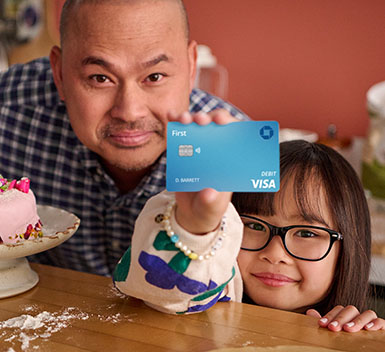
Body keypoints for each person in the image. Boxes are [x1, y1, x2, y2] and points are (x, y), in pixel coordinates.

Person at [0, 0, 247, 276]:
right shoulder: (10, 109)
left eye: (154, 77)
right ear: (60, 73)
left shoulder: (236, 155)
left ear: (191, 66)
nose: (129, 111)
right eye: (100, 78)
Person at [114, 118, 384, 332]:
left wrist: (362, 341)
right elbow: (160, 287)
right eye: (254, 226)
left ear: (346, 249)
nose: (276, 255)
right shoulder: (216, 287)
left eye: (306, 233)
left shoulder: (353, 331)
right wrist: (194, 228)